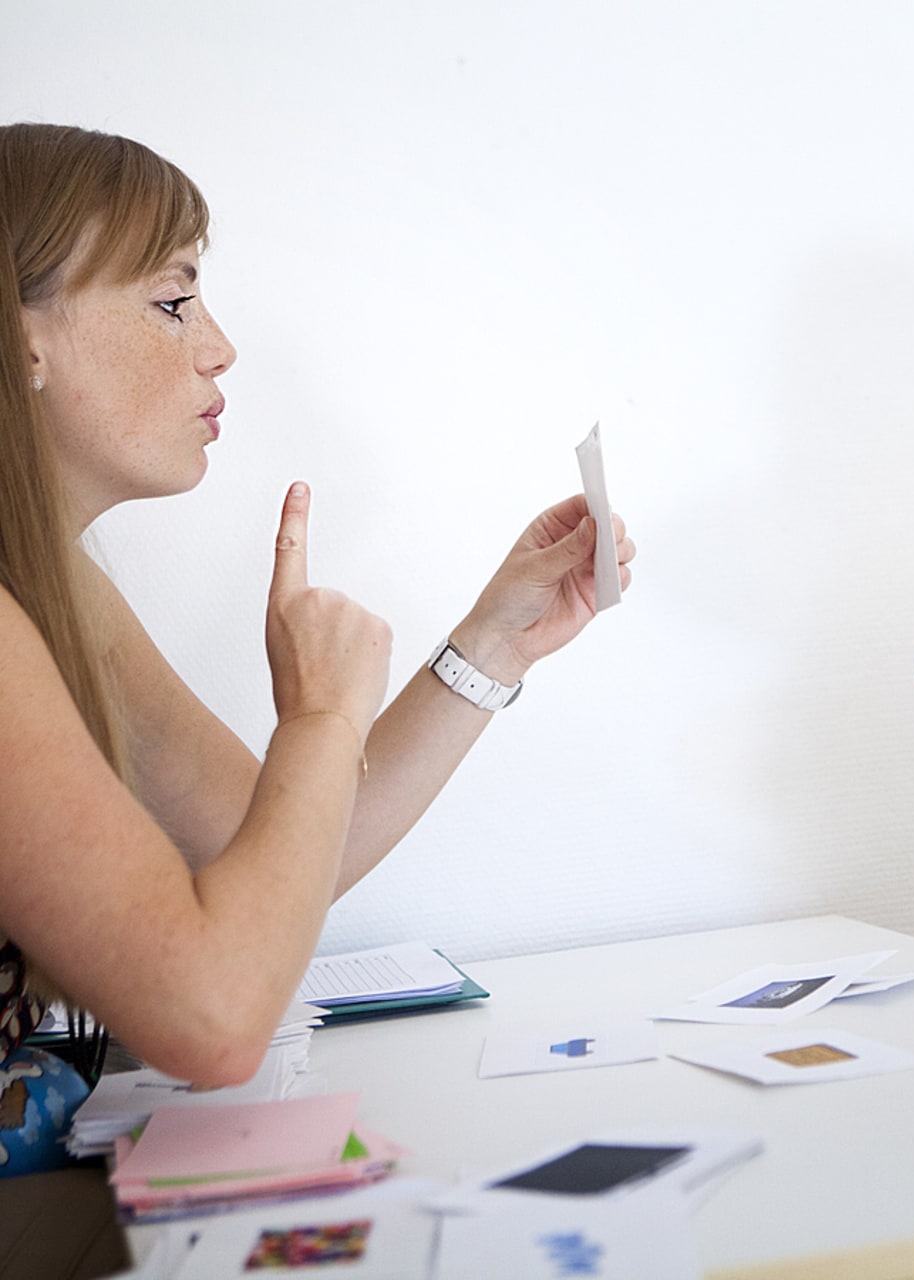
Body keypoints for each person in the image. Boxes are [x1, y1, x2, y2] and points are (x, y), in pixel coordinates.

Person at [0, 122, 636, 1171]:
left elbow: (276, 854)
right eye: (172, 300)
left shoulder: (55, 585)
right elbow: (214, 1016)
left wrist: (494, 646)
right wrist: (321, 718)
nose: (218, 345)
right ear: (23, 340)